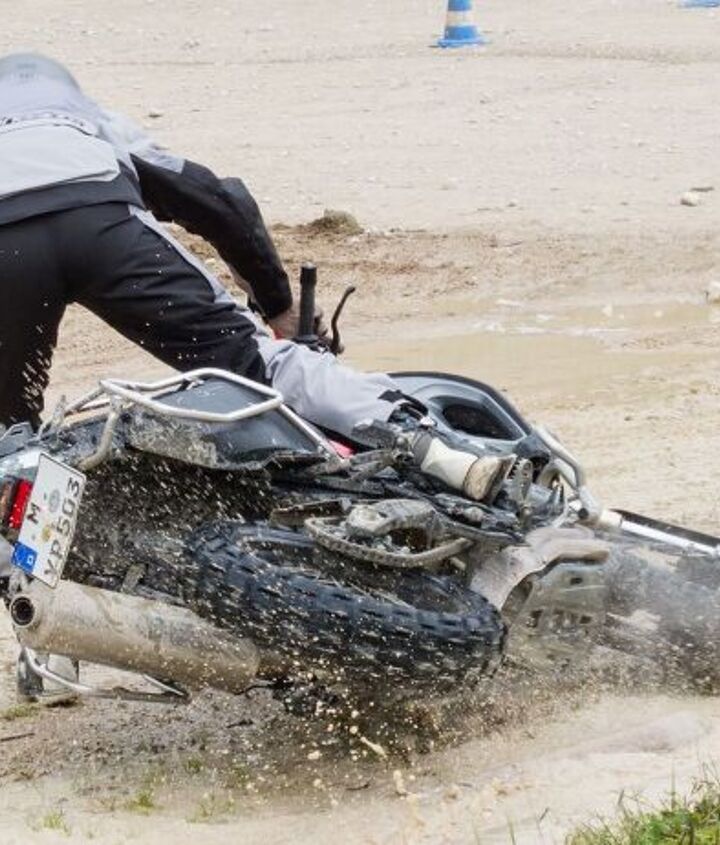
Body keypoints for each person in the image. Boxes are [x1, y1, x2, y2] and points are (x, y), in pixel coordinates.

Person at [0, 53, 511, 502]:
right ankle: (427, 446)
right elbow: (221, 202)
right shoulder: (89, 119)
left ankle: (14, 524)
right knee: (258, 364)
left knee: (9, 425)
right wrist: (278, 308)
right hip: (102, 226)